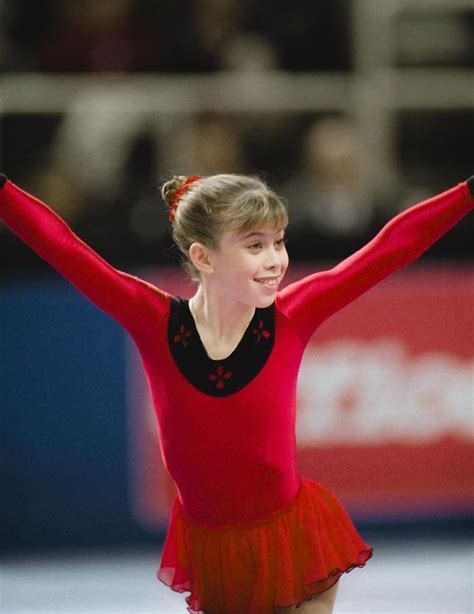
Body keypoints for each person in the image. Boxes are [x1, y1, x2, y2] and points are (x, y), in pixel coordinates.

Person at [0, 171, 472, 614]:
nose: (275, 260)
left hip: (294, 537)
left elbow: (390, 247)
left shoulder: (293, 314)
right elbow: (62, 247)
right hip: (214, 549)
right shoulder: (152, 320)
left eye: (278, 242)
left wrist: (468, 192)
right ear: (203, 256)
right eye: (255, 245)